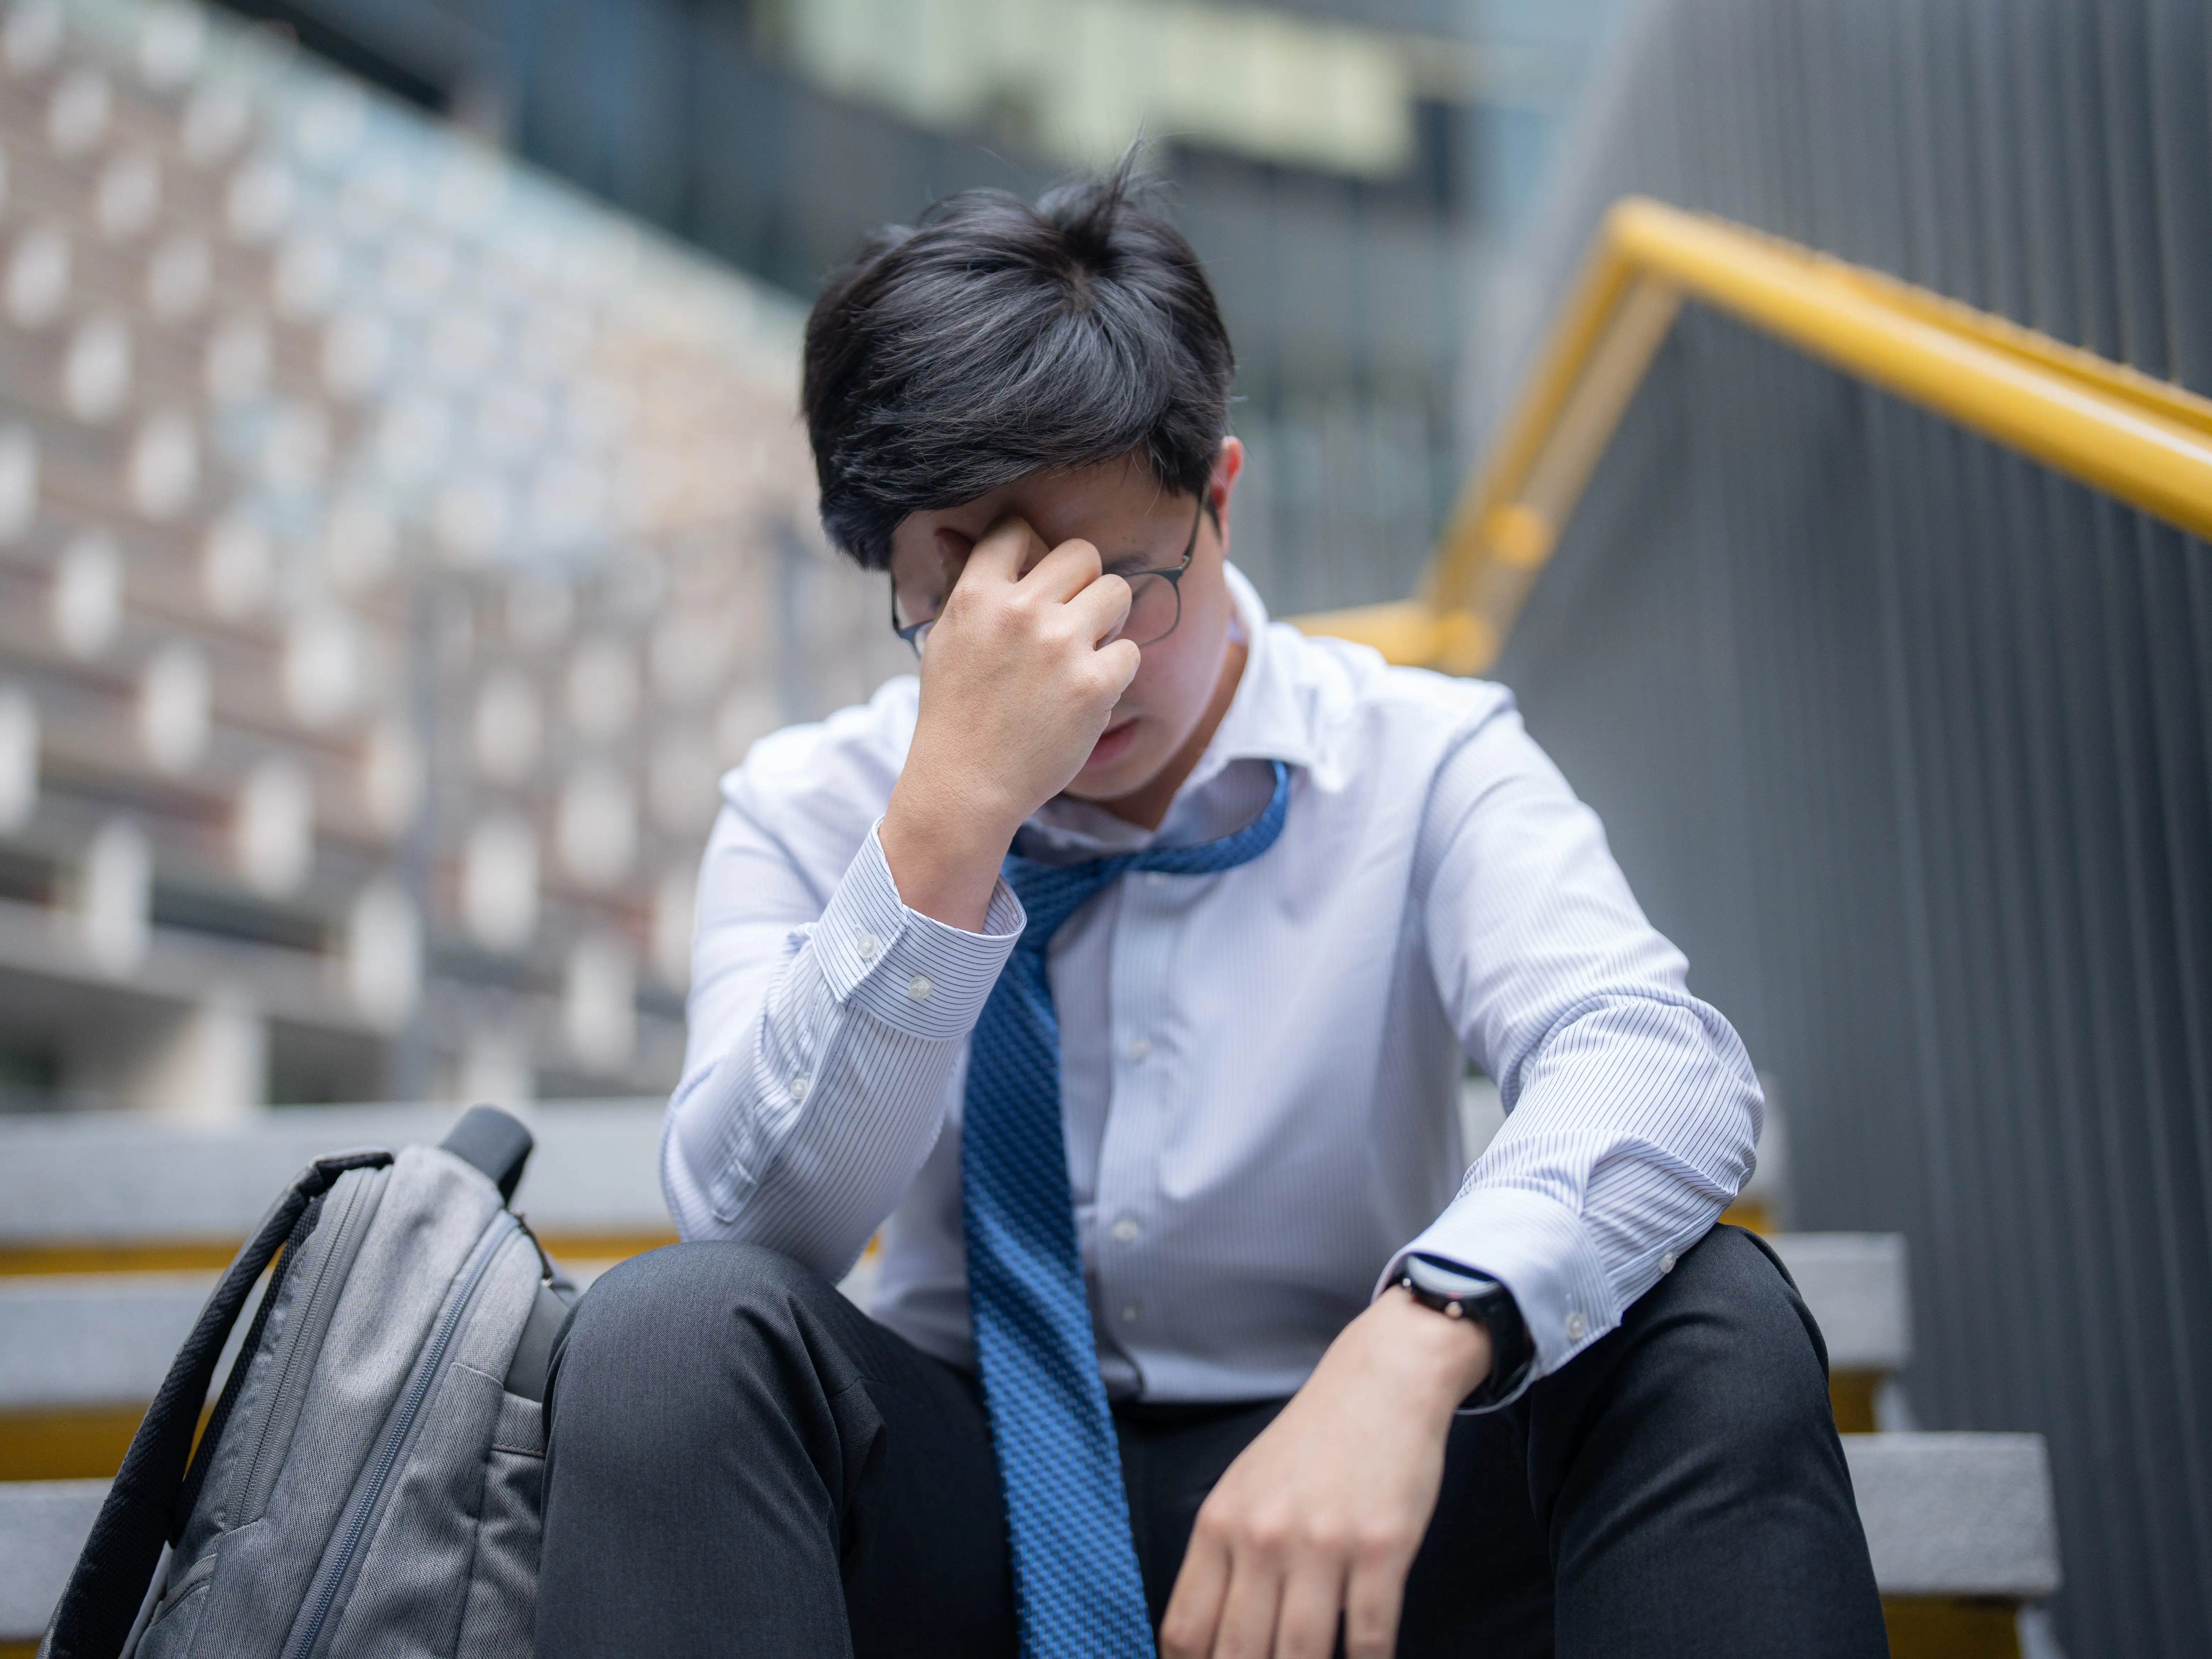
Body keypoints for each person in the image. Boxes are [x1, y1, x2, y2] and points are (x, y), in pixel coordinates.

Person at [534, 165, 1886, 1659]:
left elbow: (1661, 1059)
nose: (1079, 662)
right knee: (666, 1337)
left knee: (1712, 1318)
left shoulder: (1423, 759)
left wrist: (1416, 1344)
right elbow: (750, 1227)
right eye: (980, 602)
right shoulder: (811, 805)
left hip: (1358, 1489)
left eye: (1120, 581)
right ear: (891, 568)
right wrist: (949, 825)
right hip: (960, 1497)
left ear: (1220, 500)